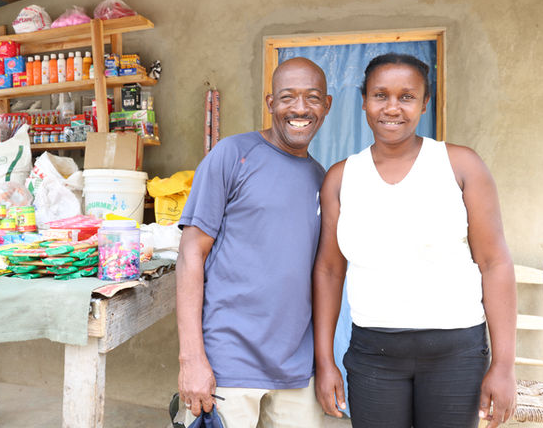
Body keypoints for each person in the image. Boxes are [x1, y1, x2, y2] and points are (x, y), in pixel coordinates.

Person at [312, 53, 517, 428]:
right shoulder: (342, 178)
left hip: (456, 353)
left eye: (406, 96)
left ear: (425, 103)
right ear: (364, 100)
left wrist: (504, 365)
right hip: (373, 354)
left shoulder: (460, 165)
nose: (392, 108)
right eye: (380, 95)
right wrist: (325, 361)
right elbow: (328, 271)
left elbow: (494, 263)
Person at [176, 57, 332, 427]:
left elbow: (322, 273)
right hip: (228, 362)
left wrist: (324, 363)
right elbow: (190, 254)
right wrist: (191, 358)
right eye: (287, 97)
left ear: (326, 105)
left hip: (295, 367)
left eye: (312, 98)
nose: (300, 108)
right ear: (271, 103)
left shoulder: (320, 178)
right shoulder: (233, 155)